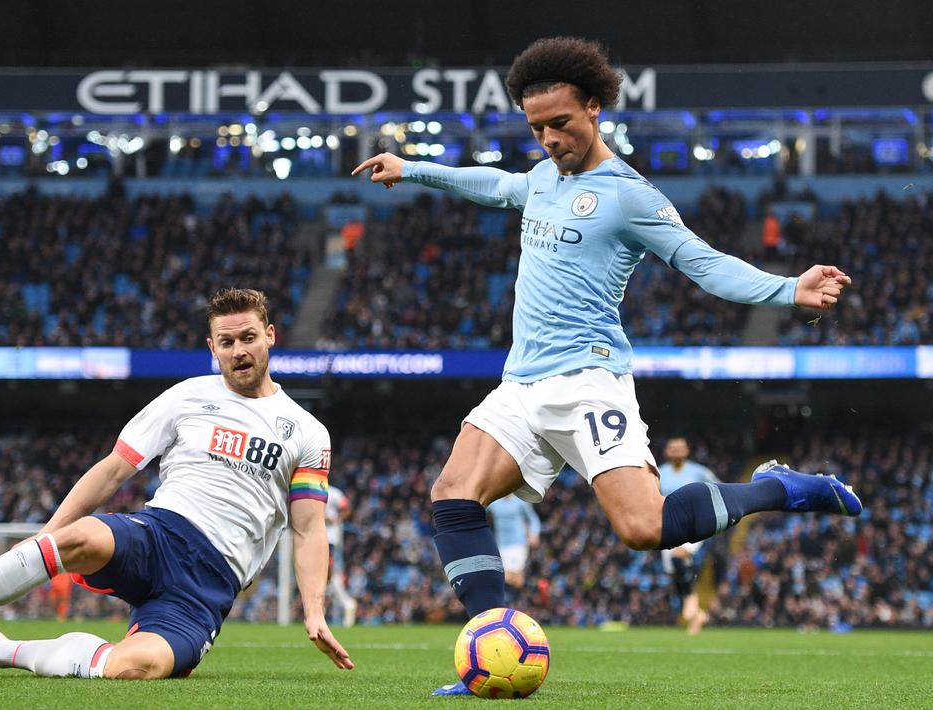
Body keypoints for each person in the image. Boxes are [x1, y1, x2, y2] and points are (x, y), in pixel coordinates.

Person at [352, 37, 860, 695]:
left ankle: (778, 489)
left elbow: (700, 262)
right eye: (535, 128)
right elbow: (499, 185)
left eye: (559, 124)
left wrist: (788, 288)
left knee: (643, 529)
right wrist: (414, 168)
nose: (548, 139)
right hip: (519, 384)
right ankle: (490, 651)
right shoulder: (540, 177)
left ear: (593, 108)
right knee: (453, 492)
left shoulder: (627, 196)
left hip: (587, 383)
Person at [0, 288, 354, 680]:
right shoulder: (185, 397)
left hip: (208, 585)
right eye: (227, 341)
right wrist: (47, 534)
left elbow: (308, 530)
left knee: (136, 669)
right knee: (80, 535)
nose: (239, 350)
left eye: (248, 337)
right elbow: (113, 469)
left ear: (270, 334)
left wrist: (315, 613)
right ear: (211, 347)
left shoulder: (307, 431)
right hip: (160, 534)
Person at [656, 437, 720, 635]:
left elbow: (718, 488)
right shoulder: (659, 472)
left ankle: (691, 600)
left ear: (687, 450)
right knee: (675, 571)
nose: (676, 452)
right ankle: (698, 614)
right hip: (668, 527)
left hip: (694, 525)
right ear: (667, 451)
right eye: (672, 448)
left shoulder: (699, 471)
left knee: (677, 556)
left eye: (680, 448)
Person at [487, 495, 541, 591]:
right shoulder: (495, 503)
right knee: (505, 577)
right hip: (502, 544)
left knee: (517, 580)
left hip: (519, 543)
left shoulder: (520, 501)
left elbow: (533, 518)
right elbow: (480, 510)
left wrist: (534, 533)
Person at [325, 484, 357, 627]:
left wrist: (337, 519)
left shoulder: (333, 493)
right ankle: (345, 603)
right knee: (323, 576)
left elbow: (347, 508)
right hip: (313, 536)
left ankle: (344, 603)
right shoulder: (309, 487)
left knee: (326, 572)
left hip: (329, 537)